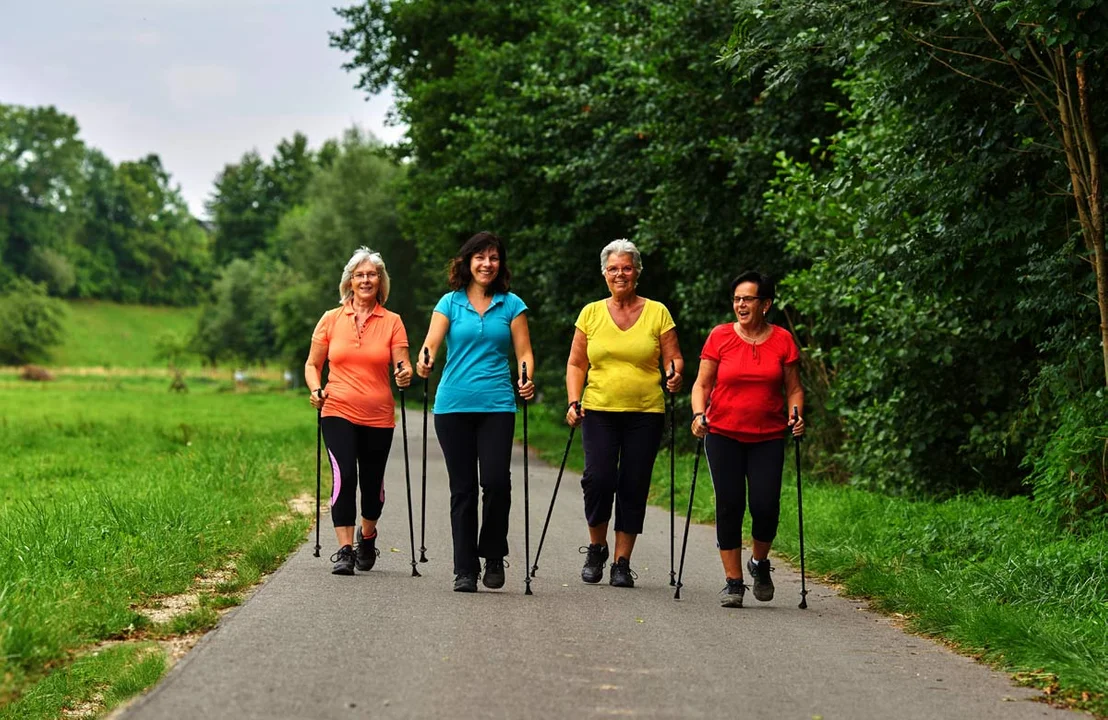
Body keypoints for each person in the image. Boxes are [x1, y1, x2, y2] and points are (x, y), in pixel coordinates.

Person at [416, 231, 535, 593]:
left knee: (497, 482)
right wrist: (425, 362)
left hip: (497, 404)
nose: (487, 264)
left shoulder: (512, 304)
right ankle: (464, 568)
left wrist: (526, 377)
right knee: (463, 489)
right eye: (480, 257)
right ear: (467, 262)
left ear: (501, 264)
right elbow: (431, 344)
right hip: (453, 406)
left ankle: (494, 553)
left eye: (494, 257)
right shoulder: (449, 303)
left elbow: (524, 352)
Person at [565, 239, 683, 588]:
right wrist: (574, 401)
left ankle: (621, 561)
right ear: (605, 273)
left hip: (645, 411)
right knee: (598, 480)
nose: (620, 274)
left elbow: (673, 357)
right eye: (614, 268)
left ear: (637, 272)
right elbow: (576, 363)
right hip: (599, 409)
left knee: (634, 484)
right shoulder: (590, 313)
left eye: (627, 268)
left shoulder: (658, 312)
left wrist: (674, 374)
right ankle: (597, 547)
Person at [690, 270, 805, 608]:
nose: (740, 304)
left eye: (748, 299)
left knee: (766, 506)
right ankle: (734, 582)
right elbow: (702, 385)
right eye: (737, 299)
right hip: (723, 433)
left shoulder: (782, 340)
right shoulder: (720, 336)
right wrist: (699, 415)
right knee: (729, 504)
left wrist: (796, 415)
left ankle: (759, 562)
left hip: (768, 436)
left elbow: (794, 388)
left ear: (765, 304)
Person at [304, 247, 412, 575]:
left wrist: (404, 373)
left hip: (378, 415)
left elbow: (402, 364)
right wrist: (316, 389)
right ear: (349, 281)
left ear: (381, 282)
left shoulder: (392, 322)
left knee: (372, 485)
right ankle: (345, 550)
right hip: (336, 409)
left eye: (372, 275)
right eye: (360, 275)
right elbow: (312, 364)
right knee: (344, 476)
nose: (366, 280)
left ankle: (368, 535)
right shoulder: (330, 319)